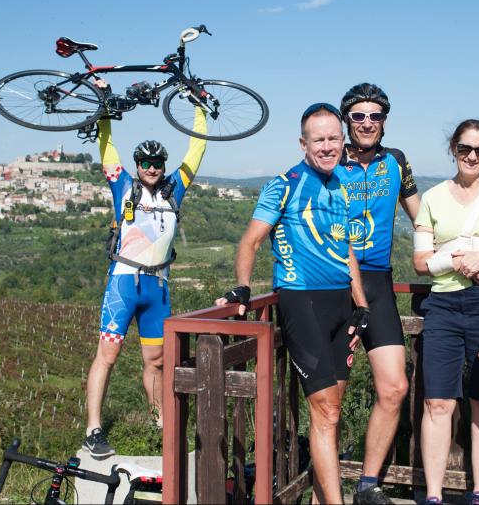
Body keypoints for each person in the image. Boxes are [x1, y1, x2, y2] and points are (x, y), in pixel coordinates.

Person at [215, 103, 370, 504]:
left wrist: (362, 304)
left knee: (331, 411)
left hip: (341, 307)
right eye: (318, 139)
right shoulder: (283, 185)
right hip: (302, 304)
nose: (326, 146)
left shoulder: (341, 186)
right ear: (303, 143)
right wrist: (243, 287)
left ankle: (322, 497)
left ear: (342, 142)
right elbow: (250, 241)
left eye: (333, 138)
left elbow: (347, 249)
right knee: (326, 411)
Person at [81, 104, 207, 459]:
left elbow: (196, 150)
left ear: (163, 166)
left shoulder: (173, 191)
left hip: (158, 289)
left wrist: (199, 109)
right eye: (145, 163)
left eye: (157, 163)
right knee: (107, 355)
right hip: (124, 284)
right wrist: (104, 109)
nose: (151, 168)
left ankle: (160, 424)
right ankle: (94, 428)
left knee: (156, 360)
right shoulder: (123, 186)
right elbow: (106, 146)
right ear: (137, 165)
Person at [412, 120, 479, 505]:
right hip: (443, 306)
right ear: (453, 149)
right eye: (464, 148)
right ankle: (434, 495)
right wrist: (457, 259)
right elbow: (421, 263)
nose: (472, 157)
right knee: (437, 401)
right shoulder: (434, 198)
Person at [336, 83, 419, 505]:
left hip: (379, 282)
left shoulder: (396, 161)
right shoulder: (330, 159)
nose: (367, 122)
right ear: (346, 120)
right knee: (330, 395)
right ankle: (326, 487)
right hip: (333, 285)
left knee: (394, 388)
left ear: (385, 121)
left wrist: (468, 250)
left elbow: (422, 218)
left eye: (375, 115)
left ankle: (367, 485)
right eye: (358, 116)